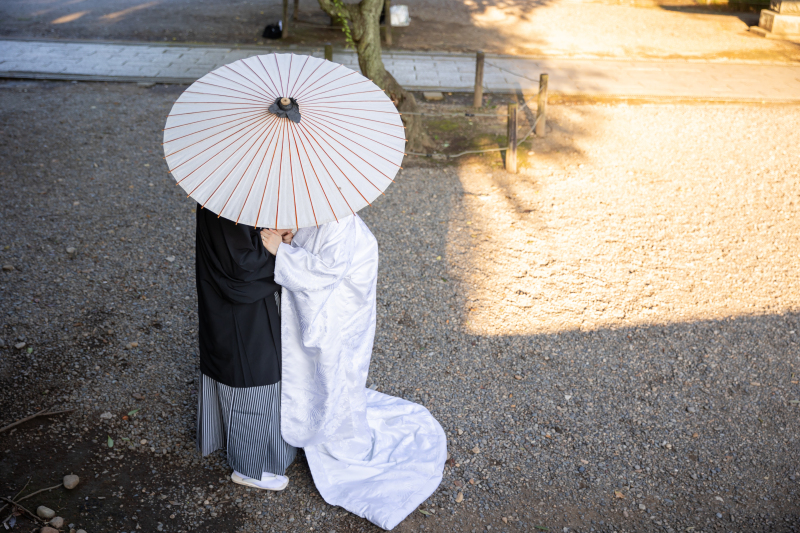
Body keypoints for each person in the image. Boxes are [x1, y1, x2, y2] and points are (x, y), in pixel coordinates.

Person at [261, 214, 446, 531]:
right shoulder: (330, 218)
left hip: (342, 317)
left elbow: (322, 274)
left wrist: (283, 251)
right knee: (336, 375)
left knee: (334, 372)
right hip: (343, 310)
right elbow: (321, 256)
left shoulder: (341, 227)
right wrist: (295, 241)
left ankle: (329, 426)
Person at [194, 205, 296, 491]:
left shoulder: (241, 187)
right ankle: (249, 466)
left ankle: (271, 449)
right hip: (238, 303)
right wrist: (278, 251)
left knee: (267, 367)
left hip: (252, 299)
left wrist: (280, 237)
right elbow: (241, 267)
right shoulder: (225, 200)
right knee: (250, 373)